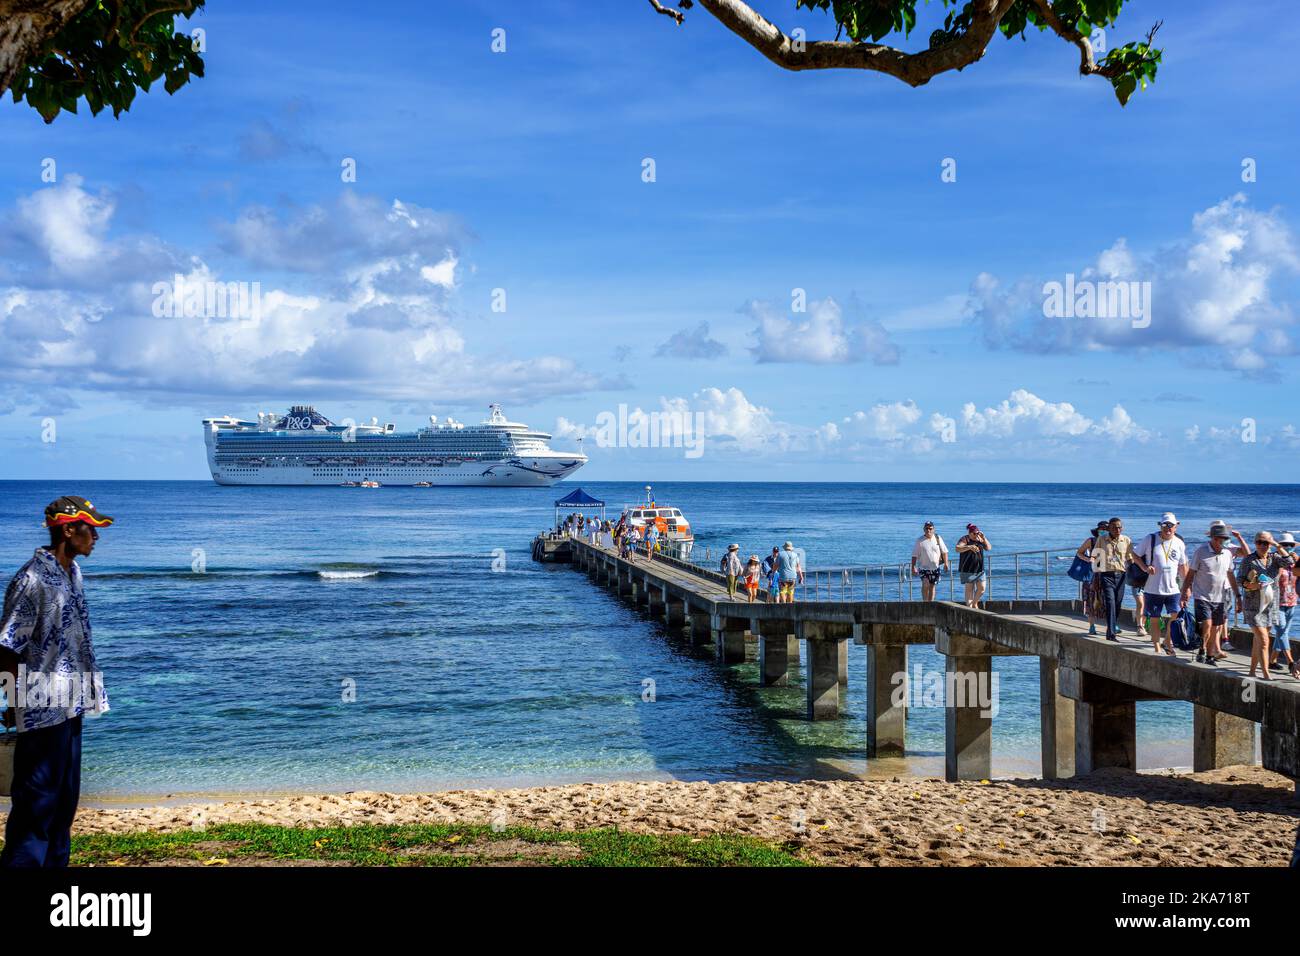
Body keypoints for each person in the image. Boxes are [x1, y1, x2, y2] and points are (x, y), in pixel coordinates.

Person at [1, 497, 114, 868]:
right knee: (36, 808)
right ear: (68, 530)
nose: (95, 536)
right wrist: (15, 708)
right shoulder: (32, 580)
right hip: (39, 712)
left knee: (64, 806)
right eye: (89, 528)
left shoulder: (72, 573)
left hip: (71, 705)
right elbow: (6, 649)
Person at [1182, 522, 1244, 667]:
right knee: (1208, 624)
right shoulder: (1201, 551)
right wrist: (1184, 592)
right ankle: (1202, 648)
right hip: (1202, 596)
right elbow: (1190, 574)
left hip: (1220, 598)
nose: (1225, 542)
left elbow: (1230, 576)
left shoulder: (1227, 554)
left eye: (1225, 539)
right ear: (1214, 539)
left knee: (1216, 628)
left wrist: (1238, 596)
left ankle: (1209, 655)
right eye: (1223, 539)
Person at [1237, 531, 1295, 681]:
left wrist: (1277, 545)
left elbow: (1289, 562)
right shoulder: (1249, 560)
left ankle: (1251, 671)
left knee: (1259, 640)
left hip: (1270, 605)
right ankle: (1266, 675)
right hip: (1253, 607)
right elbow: (1240, 581)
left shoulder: (1274, 558)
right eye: (1259, 542)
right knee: (1263, 640)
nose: (1262, 545)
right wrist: (1252, 585)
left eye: (1266, 543)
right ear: (1255, 543)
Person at [1131, 512, 1188, 656]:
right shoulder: (1150, 539)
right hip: (1153, 588)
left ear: (1176, 526)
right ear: (1160, 525)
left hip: (1173, 589)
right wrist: (1144, 567)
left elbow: (1183, 566)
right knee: (1155, 619)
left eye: (1171, 525)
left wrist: (1187, 588)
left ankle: (1167, 641)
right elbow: (1134, 554)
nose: (1168, 528)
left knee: (1175, 616)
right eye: (1165, 525)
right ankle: (1157, 647)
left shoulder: (1179, 543)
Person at [1090, 517, 1132, 642]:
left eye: (1119, 527)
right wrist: (1094, 568)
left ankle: (1112, 625)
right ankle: (1111, 633)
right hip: (1106, 575)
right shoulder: (1102, 539)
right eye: (1114, 527)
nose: (1117, 530)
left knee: (1118, 604)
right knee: (1110, 603)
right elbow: (1095, 555)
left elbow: (1130, 558)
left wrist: (1138, 571)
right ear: (1109, 529)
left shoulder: (1126, 540)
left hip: (1121, 575)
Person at [1271, 533, 1300, 678]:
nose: (1288, 548)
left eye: (1291, 545)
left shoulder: (1296, 561)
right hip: (1276, 602)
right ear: (1279, 546)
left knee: (1282, 632)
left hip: (1292, 601)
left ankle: (1272, 660)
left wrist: (1297, 561)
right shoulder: (1274, 560)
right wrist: (1284, 563)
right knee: (1282, 630)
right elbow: (1271, 578)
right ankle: (1291, 663)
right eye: (1285, 545)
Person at [1074, 521, 1109, 635]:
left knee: (1108, 600)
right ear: (1097, 530)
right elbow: (1079, 552)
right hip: (1092, 575)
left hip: (1106, 574)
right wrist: (1088, 559)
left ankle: (1111, 625)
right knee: (1090, 599)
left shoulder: (1111, 542)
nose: (1103, 531)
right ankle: (1092, 626)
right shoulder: (1091, 541)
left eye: (1106, 529)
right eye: (1101, 529)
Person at [911, 521, 948, 601]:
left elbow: (944, 551)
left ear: (933, 529)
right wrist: (913, 567)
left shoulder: (938, 538)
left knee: (932, 586)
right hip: (923, 568)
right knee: (925, 584)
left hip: (935, 568)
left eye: (930, 529)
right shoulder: (920, 540)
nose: (928, 530)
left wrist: (946, 563)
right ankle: (925, 602)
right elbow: (914, 555)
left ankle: (930, 604)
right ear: (924, 529)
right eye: (927, 528)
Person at [955, 524, 991, 608]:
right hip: (967, 569)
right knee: (969, 591)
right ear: (970, 533)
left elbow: (989, 548)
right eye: (974, 533)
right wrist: (969, 547)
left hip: (979, 569)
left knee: (982, 589)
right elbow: (957, 548)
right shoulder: (965, 539)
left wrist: (984, 538)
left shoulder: (980, 539)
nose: (976, 535)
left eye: (977, 533)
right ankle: (970, 608)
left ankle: (975, 603)